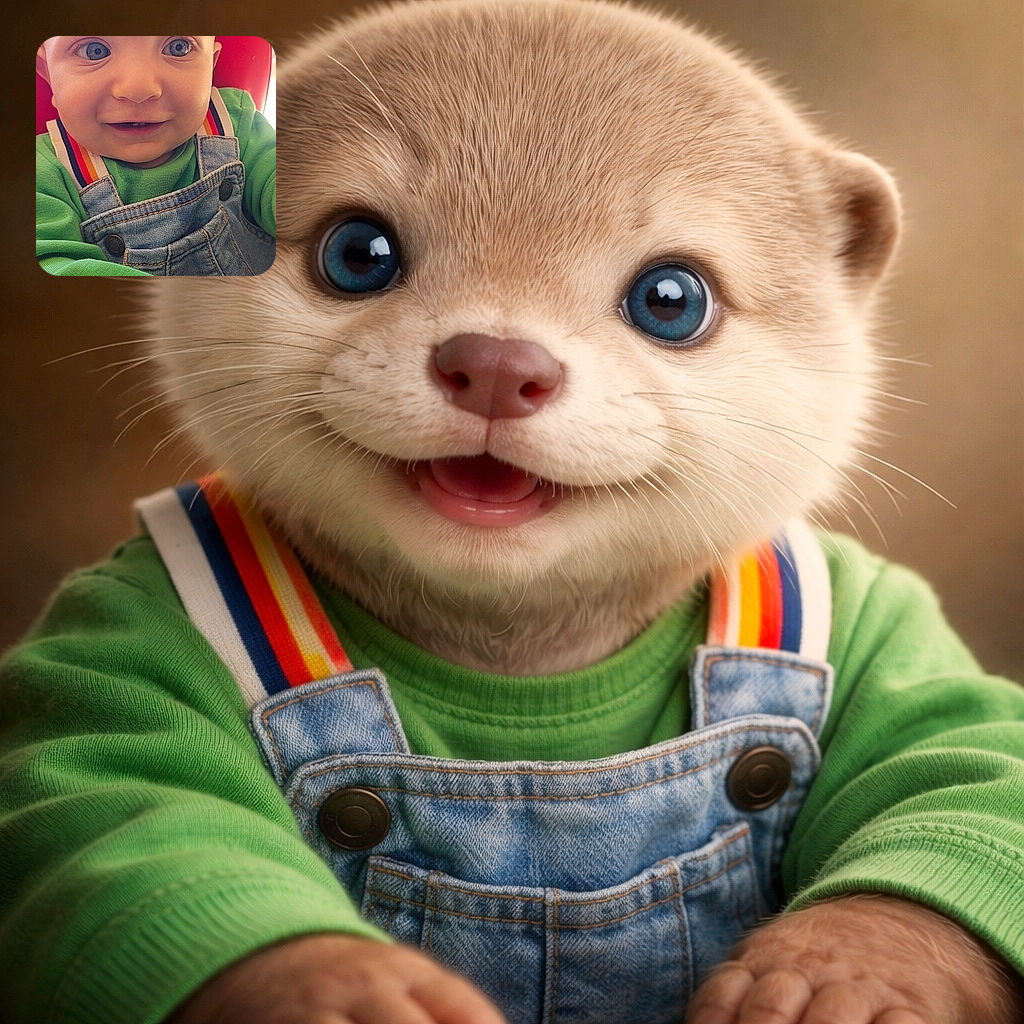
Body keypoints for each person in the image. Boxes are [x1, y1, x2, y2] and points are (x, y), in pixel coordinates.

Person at [35, 35, 276, 276]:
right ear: (48, 73)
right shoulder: (42, 170)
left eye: (178, 47)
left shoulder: (236, 121)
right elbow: (50, 266)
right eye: (94, 51)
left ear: (211, 64)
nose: (139, 90)